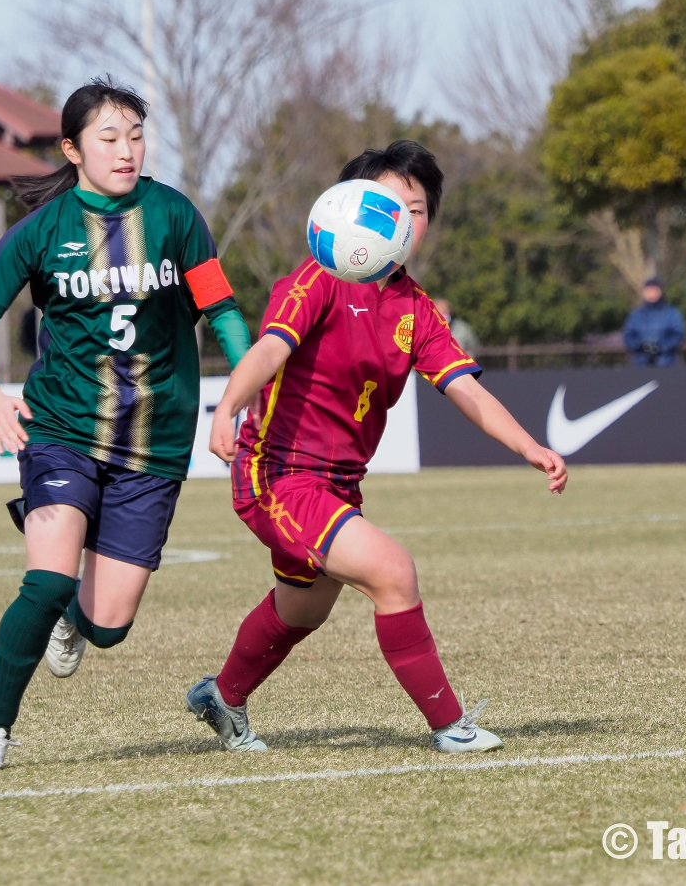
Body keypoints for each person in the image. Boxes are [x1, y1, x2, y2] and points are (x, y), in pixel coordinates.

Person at [186, 141, 568, 755]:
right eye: (387, 204)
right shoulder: (317, 279)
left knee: (303, 609)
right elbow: (269, 351)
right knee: (393, 573)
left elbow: (466, 390)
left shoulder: (415, 307)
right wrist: (227, 409)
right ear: (346, 209)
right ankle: (450, 726)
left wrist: (529, 446)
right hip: (277, 475)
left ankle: (223, 697)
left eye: (415, 210)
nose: (402, 220)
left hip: (338, 483)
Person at [0, 77, 252, 771]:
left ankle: (75, 622)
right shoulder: (43, 230)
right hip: (61, 429)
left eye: (136, 136)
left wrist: (244, 393)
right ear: (73, 148)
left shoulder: (175, 217)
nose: (126, 151)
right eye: (109, 138)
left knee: (109, 626)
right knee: (49, 578)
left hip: (155, 441)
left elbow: (225, 314)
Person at [622, 278, 685, 367]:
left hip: (666, 363)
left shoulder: (671, 313)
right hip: (640, 364)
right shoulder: (636, 315)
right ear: (644, 293)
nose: (651, 294)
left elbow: (678, 334)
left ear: (660, 291)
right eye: (649, 291)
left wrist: (661, 347)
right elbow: (628, 335)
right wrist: (641, 346)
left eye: (654, 290)